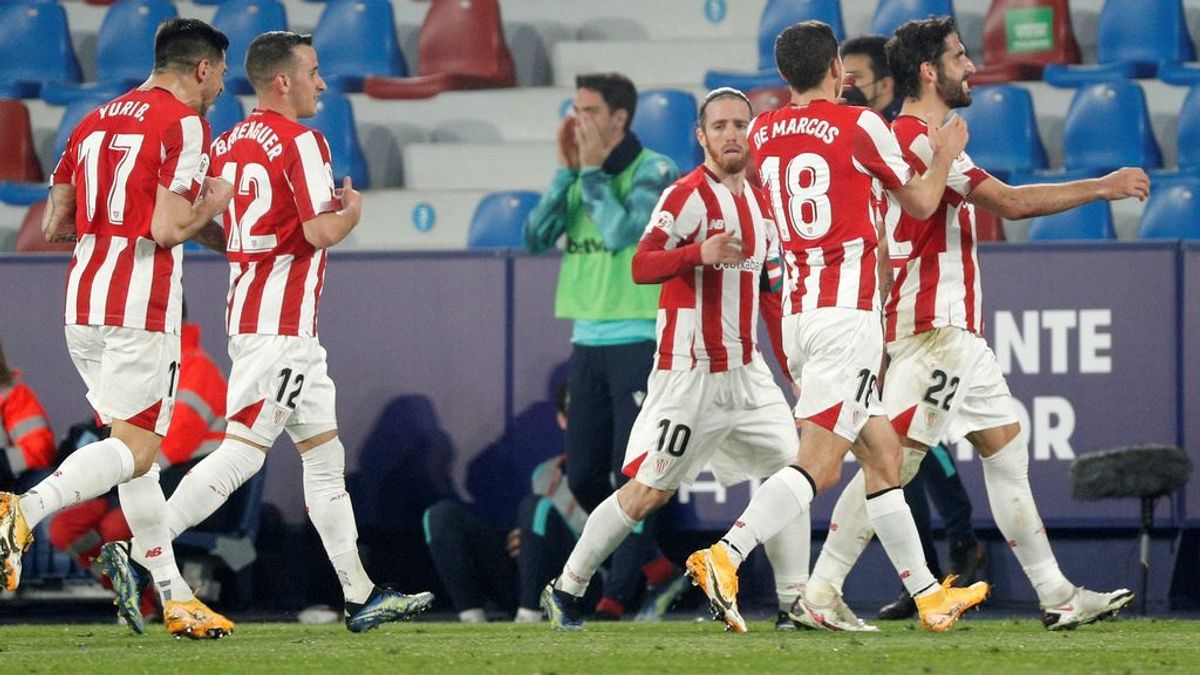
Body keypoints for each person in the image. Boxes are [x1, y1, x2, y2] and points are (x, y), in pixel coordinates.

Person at [800, 16, 1148, 632]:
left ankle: (1057, 594)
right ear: (930, 71)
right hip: (933, 332)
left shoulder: (926, 141)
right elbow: (1011, 203)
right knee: (893, 466)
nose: (971, 68)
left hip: (955, 337)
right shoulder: (916, 140)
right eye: (960, 57)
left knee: (1005, 452)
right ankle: (820, 590)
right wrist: (1105, 186)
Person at [100, 30, 434, 634]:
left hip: (269, 323)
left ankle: (361, 595)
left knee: (325, 460)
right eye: (313, 71)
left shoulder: (227, 141)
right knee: (241, 455)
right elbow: (318, 232)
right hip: (279, 330)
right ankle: (141, 552)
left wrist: (243, 249)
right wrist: (352, 212)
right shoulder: (302, 141)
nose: (322, 83)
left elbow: (204, 224)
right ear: (283, 81)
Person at [685, 20, 989, 634]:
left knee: (882, 458)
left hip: (797, 315)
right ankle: (724, 556)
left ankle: (930, 598)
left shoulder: (763, 130)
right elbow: (924, 203)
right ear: (838, 73)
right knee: (819, 467)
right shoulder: (860, 125)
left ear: (783, 77)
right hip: (845, 317)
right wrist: (948, 153)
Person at [541, 87, 811, 633]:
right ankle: (566, 590)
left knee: (793, 473)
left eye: (740, 124)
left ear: (752, 132)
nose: (731, 134)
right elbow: (640, 265)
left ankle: (792, 604)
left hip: (749, 372)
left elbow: (768, 294)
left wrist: (794, 372)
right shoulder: (685, 196)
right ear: (701, 135)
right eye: (720, 126)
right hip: (691, 373)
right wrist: (698, 253)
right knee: (646, 493)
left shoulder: (763, 206)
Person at [0, 18, 235, 640]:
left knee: (138, 464)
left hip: (83, 301)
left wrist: (113, 231)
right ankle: (20, 513)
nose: (220, 88)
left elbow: (55, 223)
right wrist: (216, 200)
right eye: (221, 75)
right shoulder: (185, 123)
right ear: (203, 70)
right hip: (140, 307)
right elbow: (165, 228)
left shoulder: (93, 118)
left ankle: (175, 596)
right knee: (136, 451)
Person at [841, 33, 988, 621]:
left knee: (911, 451)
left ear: (886, 81)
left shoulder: (898, 137)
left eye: (856, 77)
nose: (847, 86)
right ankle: (926, 572)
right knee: (891, 453)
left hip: (916, 317)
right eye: (841, 76)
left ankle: (948, 560)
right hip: (882, 317)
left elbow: (922, 210)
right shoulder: (866, 139)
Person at [523, 72, 681, 619]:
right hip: (586, 336)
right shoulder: (577, 171)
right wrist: (565, 174)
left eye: (589, 110)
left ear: (620, 117)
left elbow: (623, 235)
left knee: (630, 470)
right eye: (575, 108)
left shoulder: (653, 170)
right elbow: (534, 237)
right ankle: (653, 560)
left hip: (638, 333)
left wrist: (588, 174)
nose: (578, 120)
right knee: (586, 474)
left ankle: (621, 592)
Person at [49, 311, 227, 625]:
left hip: (180, 482)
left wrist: (110, 472)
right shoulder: (140, 361)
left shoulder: (197, 369)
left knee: (117, 527)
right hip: (131, 475)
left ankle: (164, 599)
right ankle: (140, 601)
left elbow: (170, 449)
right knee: (65, 528)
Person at [424, 385, 589, 624]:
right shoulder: (544, 473)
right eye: (575, 414)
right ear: (562, 419)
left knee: (535, 507)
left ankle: (529, 617)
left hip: (582, 586)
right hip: (531, 580)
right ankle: (472, 621)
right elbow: (538, 524)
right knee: (440, 515)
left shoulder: (619, 471)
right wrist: (527, 540)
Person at [0, 342, 56, 491]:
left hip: (11, 490)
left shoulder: (13, 395)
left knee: (45, 485)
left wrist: (4, 463)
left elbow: (39, 450)